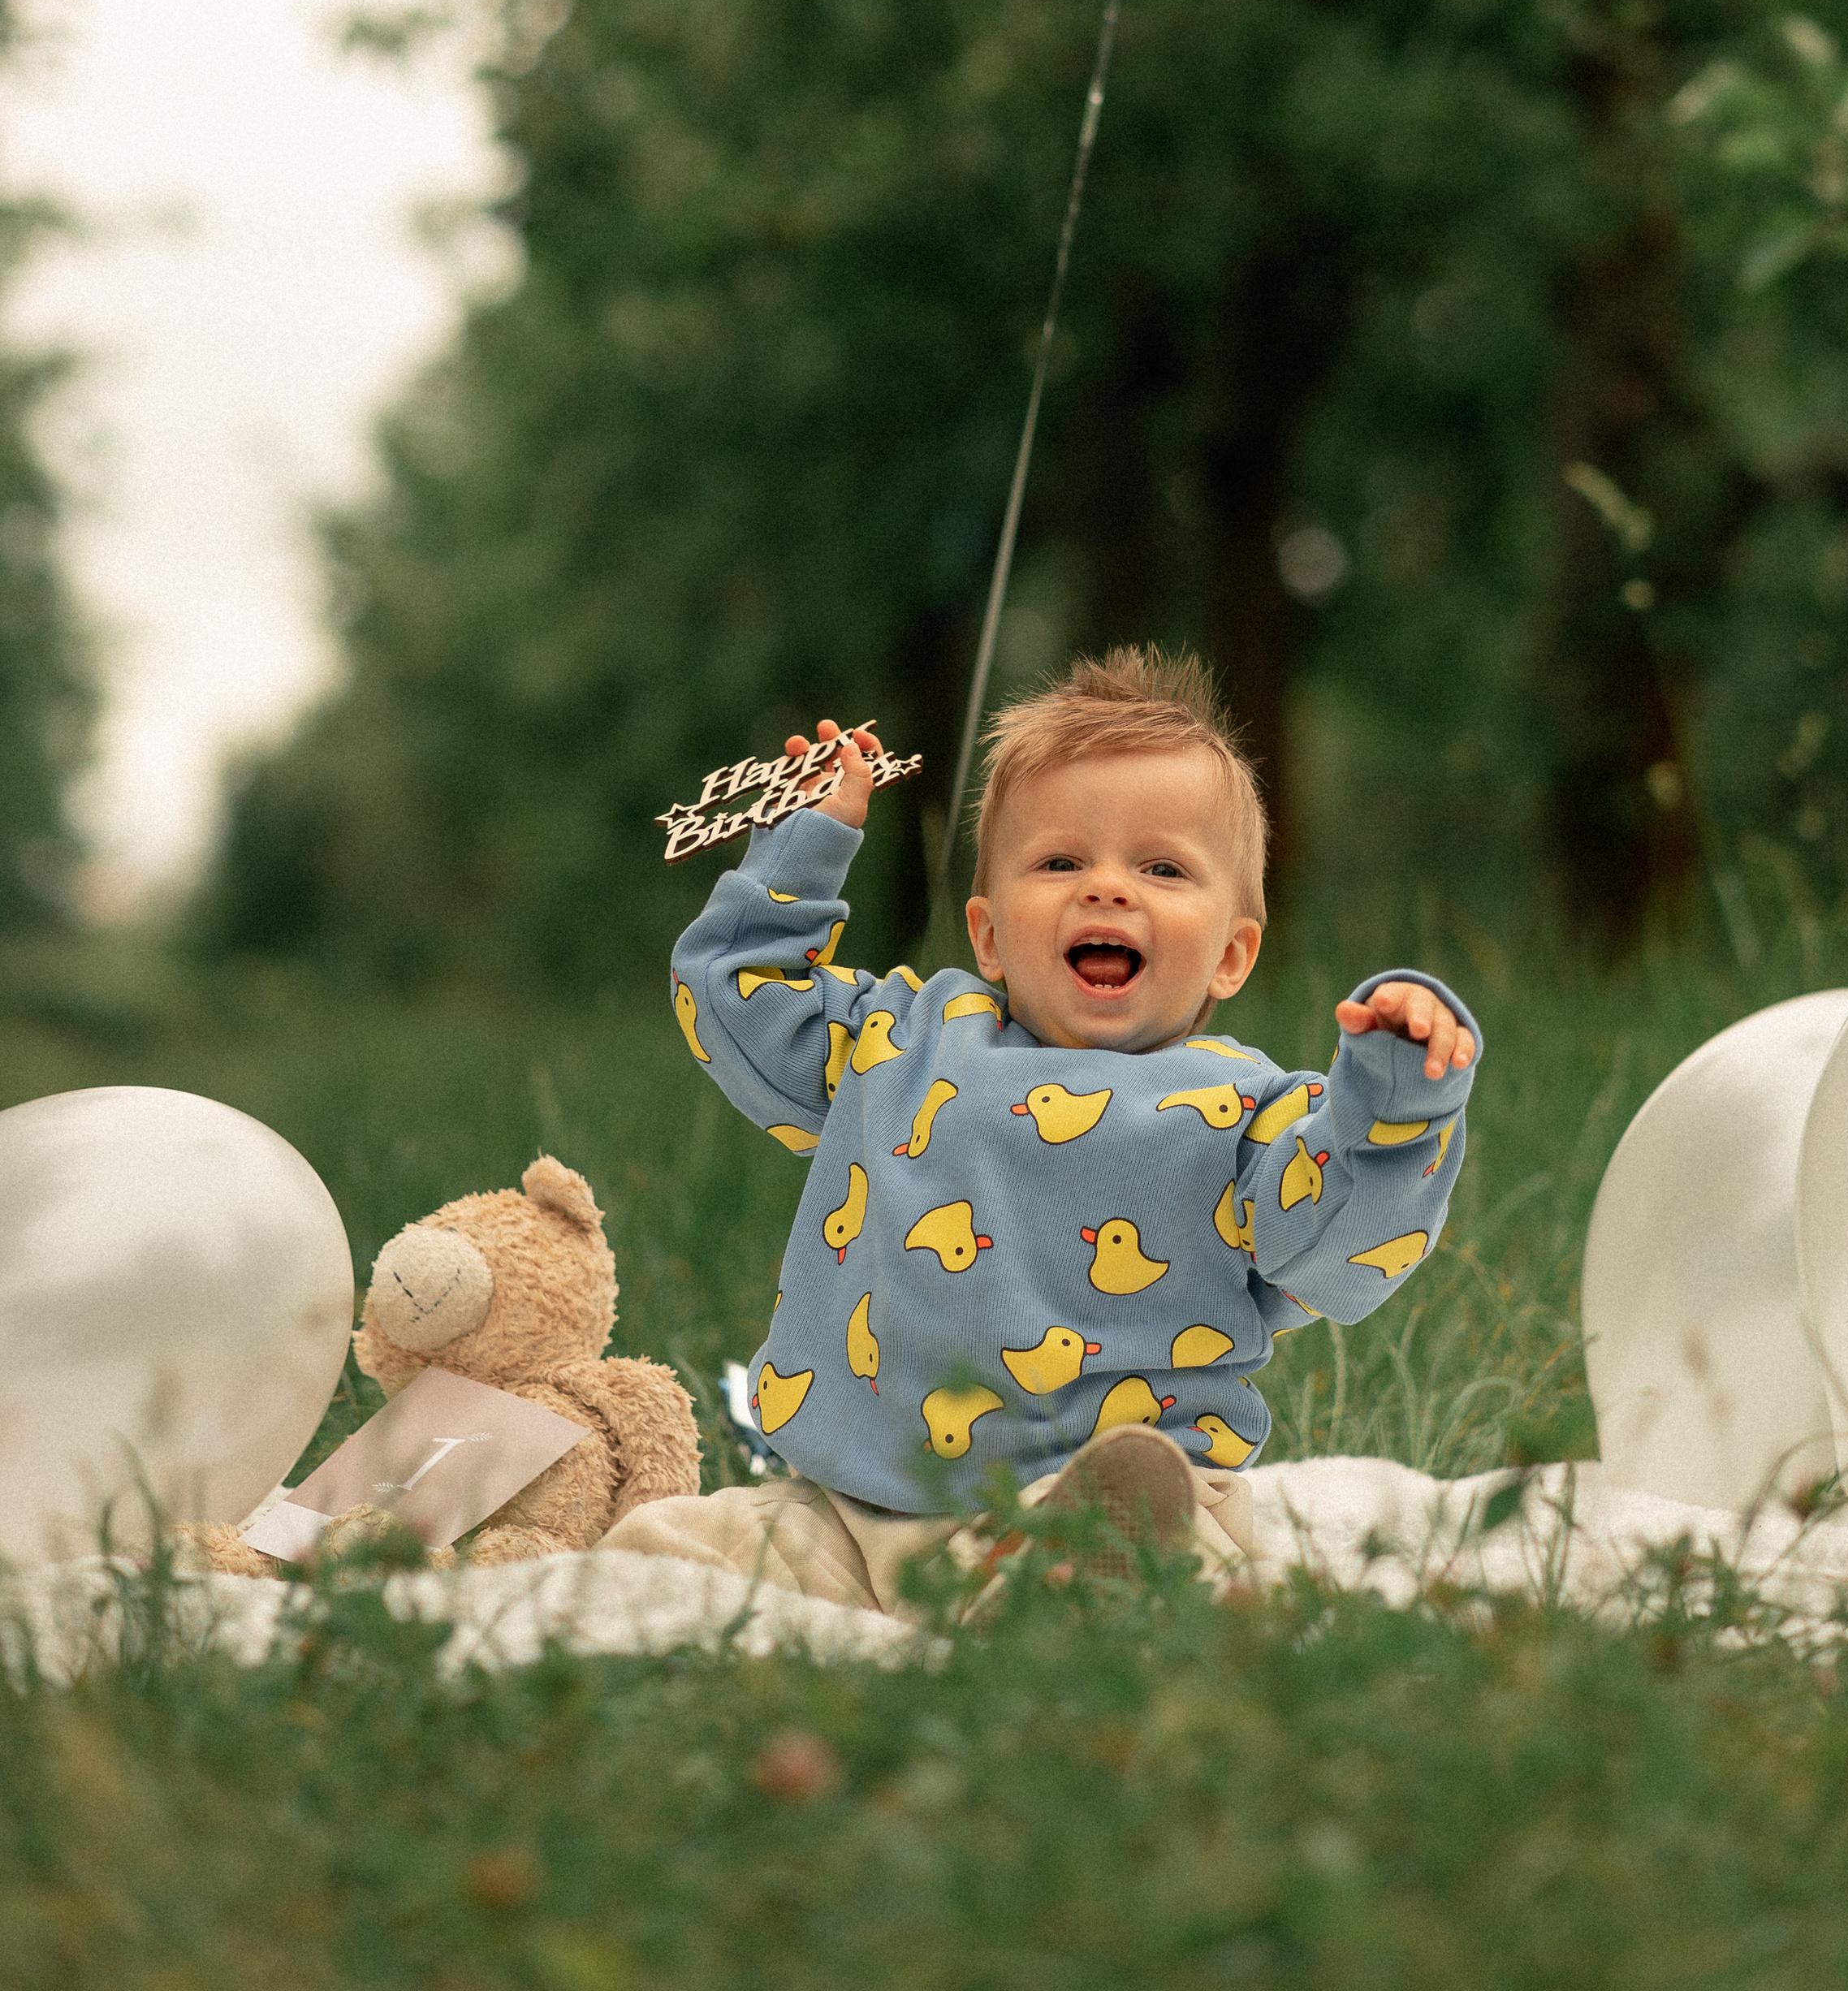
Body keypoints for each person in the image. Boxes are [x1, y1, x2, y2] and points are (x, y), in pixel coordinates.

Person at [606, 646, 1480, 1613]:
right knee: (659, 1553)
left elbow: (1342, 1249)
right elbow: (736, 1002)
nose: (1105, 887)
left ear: (1231, 954)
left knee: (1182, 1562)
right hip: (855, 1505)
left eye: (1161, 866)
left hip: (1108, 1498)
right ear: (988, 935)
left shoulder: (1251, 1113)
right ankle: (506, 1567)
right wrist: (805, 842)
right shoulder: (902, 1041)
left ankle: (1069, 1598)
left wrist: (1394, 1094)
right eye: (1060, 860)